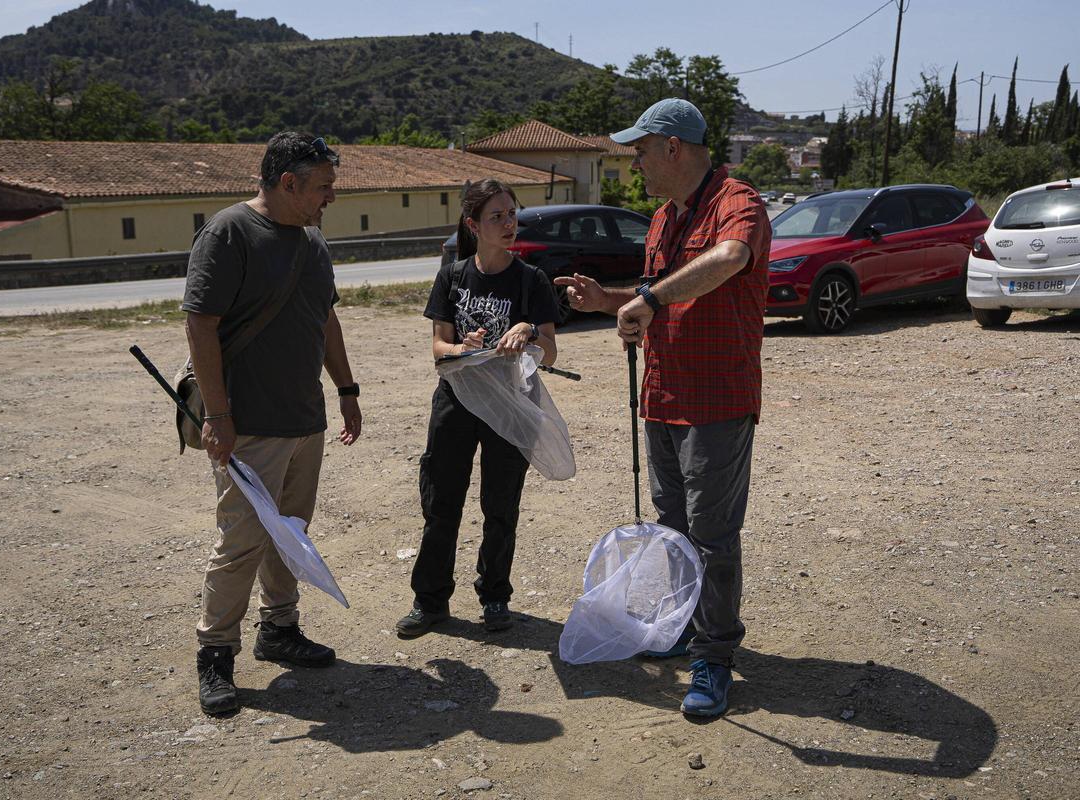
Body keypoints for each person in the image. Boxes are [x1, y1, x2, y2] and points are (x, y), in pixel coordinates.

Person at [555, 99, 771, 717]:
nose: (636, 165)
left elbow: (728, 261)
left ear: (672, 147)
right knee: (674, 528)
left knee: (712, 535)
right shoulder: (659, 220)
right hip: (663, 398)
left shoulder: (737, 202)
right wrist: (611, 301)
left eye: (640, 151)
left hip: (716, 401)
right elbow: (662, 299)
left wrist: (645, 298)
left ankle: (715, 655)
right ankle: (683, 625)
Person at [181, 131, 363, 715]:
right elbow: (200, 324)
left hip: (303, 418)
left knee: (290, 533)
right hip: (248, 424)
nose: (330, 198)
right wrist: (218, 415)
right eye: (324, 188)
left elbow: (324, 319)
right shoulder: (229, 232)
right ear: (289, 183)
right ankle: (215, 655)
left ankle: (279, 629)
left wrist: (347, 389)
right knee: (240, 542)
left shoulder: (313, 241)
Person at [395, 179, 561, 638]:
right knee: (441, 502)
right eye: (497, 217)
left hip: (511, 405)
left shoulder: (532, 280)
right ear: (474, 225)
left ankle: (494, 597)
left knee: (500, 505)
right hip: (457, 400)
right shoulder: (452, 274)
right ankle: (430, 603)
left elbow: (551, 352)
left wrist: (527, 330)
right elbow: (437, 349)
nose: (509, 224)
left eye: (512, 214)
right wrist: (463, 348)